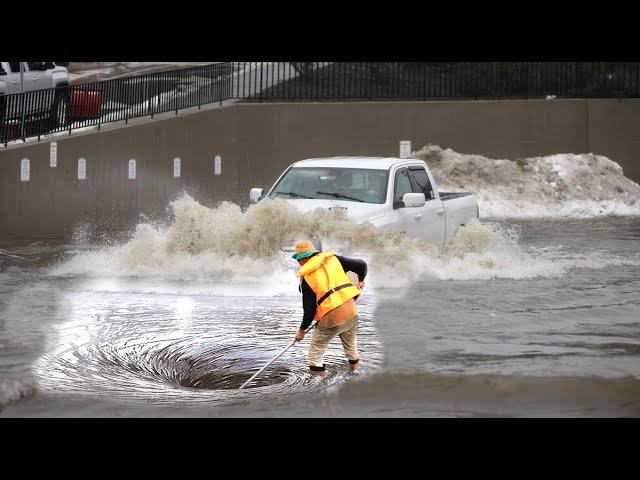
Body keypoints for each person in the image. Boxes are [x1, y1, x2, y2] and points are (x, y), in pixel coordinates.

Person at [291, 240, 367, 376]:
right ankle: (355, 373)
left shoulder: (307, 276)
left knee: (316, 352)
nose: (298, 262)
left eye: (299, 259)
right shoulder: (333, 259)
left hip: (332, 316)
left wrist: (301, 330)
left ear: (305, 257)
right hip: (351, 309)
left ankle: (319, 385)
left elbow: (309, 309)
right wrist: (360, 281)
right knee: (351, 347)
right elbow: (361, 264)